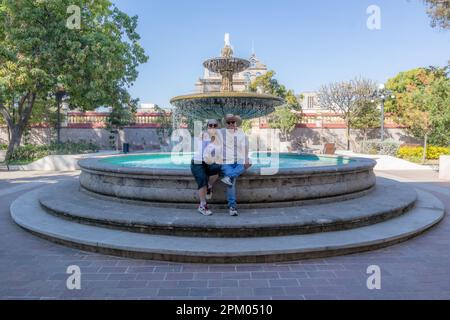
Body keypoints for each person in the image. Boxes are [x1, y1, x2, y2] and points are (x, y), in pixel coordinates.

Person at [219, 114, 252, 216]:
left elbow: (245, 146)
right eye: (228, 122)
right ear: (226, 124)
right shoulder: (221, 132)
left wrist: (246, 158)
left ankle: (229, 176)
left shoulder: (241, 133)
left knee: (249, 161)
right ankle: (232, 207)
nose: (230, 124)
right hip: (225, 162)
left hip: (238, 161)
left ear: (236, 123)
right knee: (231, 183)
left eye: (232, 122)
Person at [190, 119, 221, 216]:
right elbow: (205, 151)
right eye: (210, 125)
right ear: (207, 126)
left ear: (217, 127)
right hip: (198, 162)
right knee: (202, 178)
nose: (212, 127)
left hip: (208, 162)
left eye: (214, 125)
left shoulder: (218, 138)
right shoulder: (203, 135)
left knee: (218, 168)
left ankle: (209, 186)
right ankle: (202, 206)